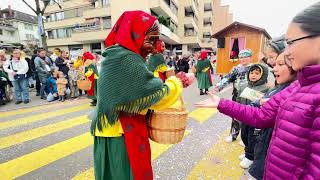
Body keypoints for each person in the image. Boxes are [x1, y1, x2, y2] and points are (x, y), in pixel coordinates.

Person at [195, 2, 320, 178]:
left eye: (291, 43)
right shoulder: (299, 85)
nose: (287, 52)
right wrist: (221, 102)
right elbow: (261, 115)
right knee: (241, 129)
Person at [90, 11, 187, 180]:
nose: (154, 45)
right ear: (135, 34)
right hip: (122, 134)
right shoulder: (127, 59)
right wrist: (177, 83)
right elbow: (156, 96)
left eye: (156, 40)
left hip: (109, 131)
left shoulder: (115, 55)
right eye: (151, 39)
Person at [248, 52, 296, 180]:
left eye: (280, 63)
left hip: (270, 147)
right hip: (264, 141)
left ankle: (249, 155)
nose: (273, 68)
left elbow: (261, 115)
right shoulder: (280, 87)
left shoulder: (291, 91)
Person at [215, 49, 253, 143]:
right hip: (237, 96)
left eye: (245, 57)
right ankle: (233, 135)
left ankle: (245, 139)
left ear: (250, 57)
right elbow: (228, 78)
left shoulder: (254, 68)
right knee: (235, 115)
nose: (243, 59)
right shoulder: (236, 69)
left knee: (249, 117)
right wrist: (219, 85)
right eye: (241, 57)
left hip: (250, 98)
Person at [238, 63, 269, 169]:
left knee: (253, 139)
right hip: (244, 116)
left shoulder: (266, 88)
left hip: (255, 119)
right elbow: (240, 99)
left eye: (257, 73)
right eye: (251, 72)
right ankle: (247, 153)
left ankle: (251, 158)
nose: (253, 75)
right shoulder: (245, 85)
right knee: (244, 136)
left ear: (263, 75)